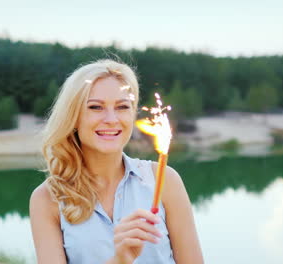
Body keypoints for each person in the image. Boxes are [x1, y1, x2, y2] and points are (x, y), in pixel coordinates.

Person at [29, 59, 204, 264]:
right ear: (73, 117)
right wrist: (120, 260)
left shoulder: (164, 180)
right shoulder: (47, 199)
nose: (111, 119)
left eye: (122, 107)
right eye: (95, 107)